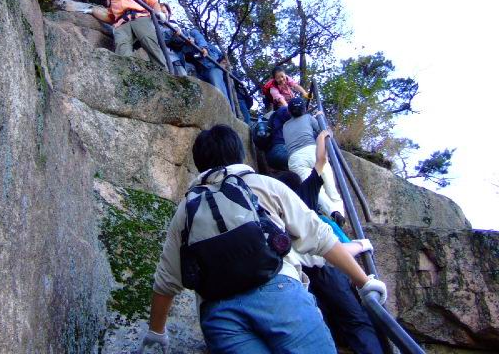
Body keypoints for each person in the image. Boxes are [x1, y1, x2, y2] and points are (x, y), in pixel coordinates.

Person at [138, 124, 387, 354]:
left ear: (199, 163)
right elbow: (320, 236)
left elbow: (166, 280)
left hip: (219, 314)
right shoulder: (263, 184)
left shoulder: (186, 209)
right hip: (280, 294)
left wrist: (156, 333)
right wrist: (364, 282)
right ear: (239, 154)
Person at [278, 131, 384, 354]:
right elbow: (321, 161)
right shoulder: (303, 195)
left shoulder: (270, 209)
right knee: (356, 321)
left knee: (321, 326)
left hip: (298, 275)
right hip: (324, 264)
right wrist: (322, 136)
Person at [89, 0, 168, 69]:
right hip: (121, 24)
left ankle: (163, 72)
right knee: (122, 49)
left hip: (141, 18)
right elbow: (111, 16)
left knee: (151, 44)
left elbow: (153, 2)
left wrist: (159, 13)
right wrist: (93, 11)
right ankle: (128, 75)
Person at [283, 96, 344, 223]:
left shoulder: (285, 126)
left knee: (314, 189)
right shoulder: (308, 118)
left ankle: (333, 213)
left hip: (295, 158)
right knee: (330, 187)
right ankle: (340, 217)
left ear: (289, 112)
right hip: (313, 151)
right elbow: (325, 133)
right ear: (304, 109)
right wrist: (320, 117)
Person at [159, 3, 192, 76]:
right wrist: (173, 32)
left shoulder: (174, 25)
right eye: (160, 12)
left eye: (164, 12)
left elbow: (184, 38)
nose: (162, 14)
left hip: (177, 59)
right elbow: (162, 36)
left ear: (169, 13)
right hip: (163, 59)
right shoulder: (155, 24)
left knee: (183, 78)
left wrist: (188, 40)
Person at [220, 58, 254, 124]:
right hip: (225, 97)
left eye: (226, 63)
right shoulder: (218, 72)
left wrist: (229, 71)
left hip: (238, 97)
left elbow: (238, 82)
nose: (225, 64)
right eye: (223, 63)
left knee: (246, 118)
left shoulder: (233, 72)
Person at [264, 106, 291, 170]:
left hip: (272, 153)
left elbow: (268, 129)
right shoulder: (298, 119)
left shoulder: (274, 114)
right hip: (286, 152)